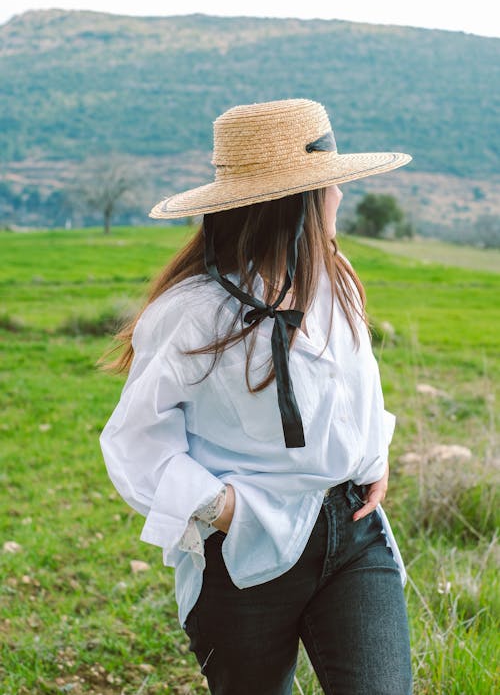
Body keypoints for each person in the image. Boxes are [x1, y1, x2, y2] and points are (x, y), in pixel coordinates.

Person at [99, 98, 414, 695]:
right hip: (244, 555)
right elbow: (135, 443)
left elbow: (355, 386)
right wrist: (223, 510)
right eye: (330, 185)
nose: (341, 197)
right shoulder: (191, 314)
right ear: (292, 202)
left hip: (353, 534)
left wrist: (376, 456)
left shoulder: (335, 278)